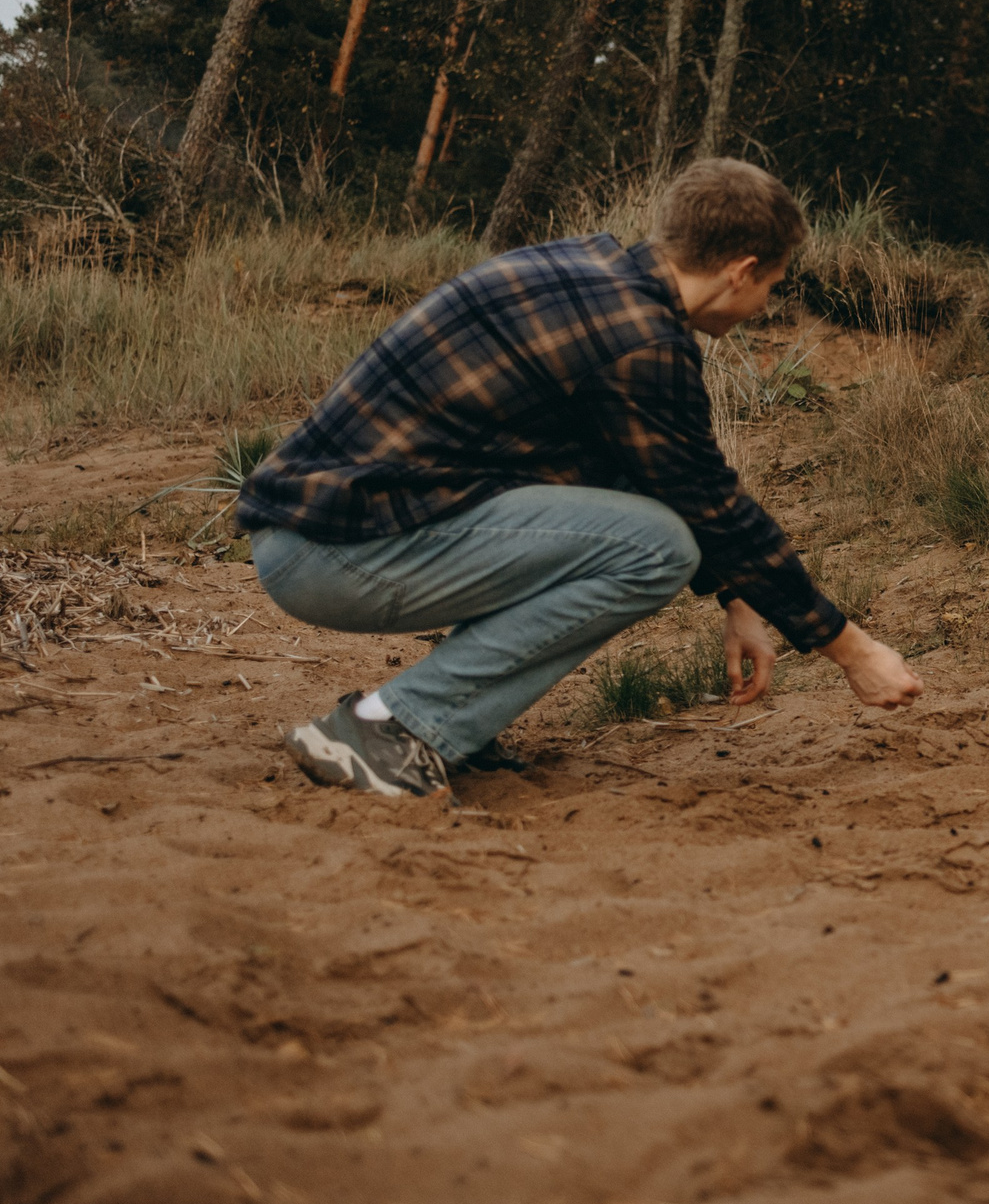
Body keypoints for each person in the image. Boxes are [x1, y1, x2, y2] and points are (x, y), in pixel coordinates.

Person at [241, 158, 922, 798]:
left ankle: (445, 724)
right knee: (657, 549)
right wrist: (852, 651)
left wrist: (736, 598)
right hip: (331, 553)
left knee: (639, 528)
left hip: (321, 528)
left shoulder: (589, 269)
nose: (767, 304)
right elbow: (716, 509)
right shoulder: (642, 341)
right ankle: (393, 725)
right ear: (742, 272)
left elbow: (649, 475)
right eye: (773, 285)